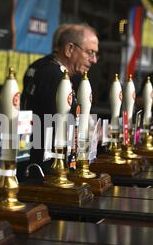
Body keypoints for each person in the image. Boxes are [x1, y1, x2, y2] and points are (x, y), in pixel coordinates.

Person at [19, 23, 99, 178]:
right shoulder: (55, 76)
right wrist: (91, 131)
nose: (94, 60)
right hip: (47, 170)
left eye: (95, 54)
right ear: (69, 49)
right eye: (90, 52)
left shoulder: (47, 68)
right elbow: (61, 124)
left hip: (35, 161)